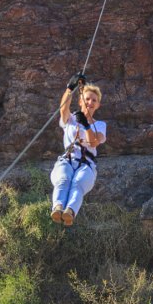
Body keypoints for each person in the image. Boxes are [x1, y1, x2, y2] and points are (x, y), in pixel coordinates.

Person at [50, 71, 107, 226]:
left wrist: (87, 126)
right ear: (81, 101)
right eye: (87, 99)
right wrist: (70, 88)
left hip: (86, 165)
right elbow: (63, 110)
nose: (90, 102)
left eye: (94, 100)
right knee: (64, 179)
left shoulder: (100, 125)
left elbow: (94, 142)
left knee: (78, 183)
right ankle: (58, 207)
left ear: (98, 105)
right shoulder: (71, 119)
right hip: (67, 160)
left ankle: (70, 211)